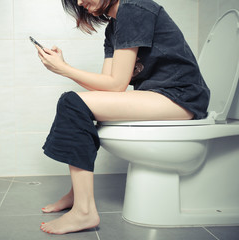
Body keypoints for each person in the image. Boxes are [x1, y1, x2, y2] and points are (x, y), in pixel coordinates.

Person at [35, 0, 210, 235]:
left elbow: (116, 84)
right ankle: (77, 194)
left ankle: (84, 211)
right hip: (160, 94)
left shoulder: (134, 8)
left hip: (182, 95)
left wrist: (64, 69)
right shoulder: (114, 27)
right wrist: (64, 66)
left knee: (72, 102)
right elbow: (107, 84)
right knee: (76, 105)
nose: (78, 2)